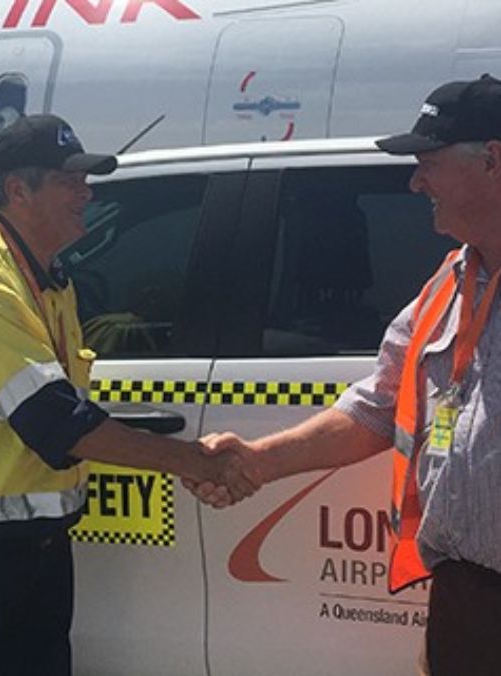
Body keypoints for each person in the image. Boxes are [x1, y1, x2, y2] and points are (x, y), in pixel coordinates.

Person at [0, 113, 260, 676]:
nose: (86, 191)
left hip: (28, 550)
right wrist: (192, 460)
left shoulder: (48, 278)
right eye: (69, 179)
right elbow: (56, 422)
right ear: (17, 191)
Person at [187, 74, 501, 676]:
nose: (415, 182)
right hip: (464, 603)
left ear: (492, 160)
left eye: (427, 163)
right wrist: (257, 460)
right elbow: (376, 407)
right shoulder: (450, 283)